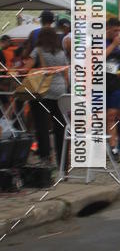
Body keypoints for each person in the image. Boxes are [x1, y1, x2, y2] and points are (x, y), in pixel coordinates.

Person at [23, 25, 68, 169]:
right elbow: (66, 75)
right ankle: (63, 162)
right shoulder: (61, 53)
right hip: (60, 92)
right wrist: (63, 88)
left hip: (43, 92)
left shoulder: (38, 50)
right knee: (60, 126)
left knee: (41, 125)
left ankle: (45, 159)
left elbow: (26, 69)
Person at [106, 17, 120, 162]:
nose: (117, 33)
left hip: (116, 84)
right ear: (107, 29)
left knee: (112, 116)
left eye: (119, 31)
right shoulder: (100, 41)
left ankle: (114, 149)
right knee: (100, 117)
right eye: (115, 31)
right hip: (100, 83)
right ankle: (104, 148)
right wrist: (113, 45)